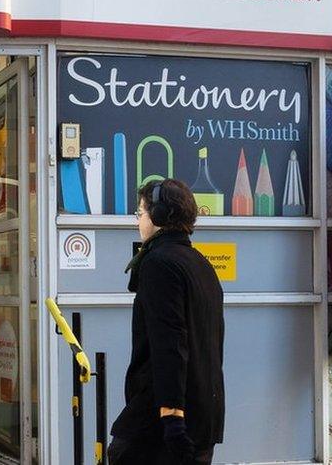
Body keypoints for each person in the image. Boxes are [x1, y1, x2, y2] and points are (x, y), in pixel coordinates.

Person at [109, 179, 225, 465]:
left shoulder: (159, 264)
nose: (138, 220)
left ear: (159, 216)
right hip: (203, 415)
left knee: (121, 453)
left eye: (141, 212)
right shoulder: (200, 263)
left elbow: (170, 344)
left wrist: (172, 418)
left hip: (164, 420)